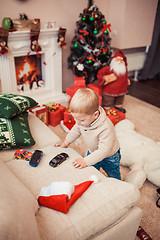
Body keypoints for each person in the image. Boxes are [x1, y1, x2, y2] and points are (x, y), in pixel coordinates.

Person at [54, 88, 121, 180]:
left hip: (109, 157)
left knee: (113, 174)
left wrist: (85, 161)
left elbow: (103, 151)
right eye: (75, 119)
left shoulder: (106, 128)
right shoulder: (82, 121)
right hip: (92, 151)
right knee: (91, 171)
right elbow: (75, 130)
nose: (77, 123)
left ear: (95, 115)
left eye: (81, 120)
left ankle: (118, 185)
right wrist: (65, 142)